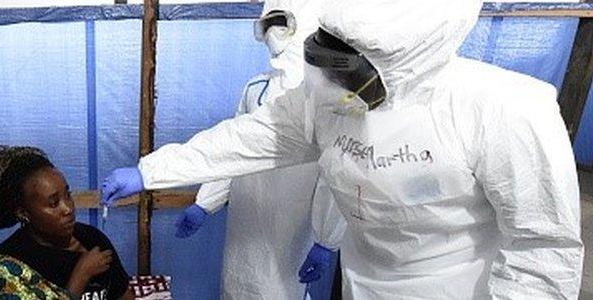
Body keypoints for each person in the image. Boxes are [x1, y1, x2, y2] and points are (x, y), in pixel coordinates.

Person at [101, 0, 583, 298]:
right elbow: (249, 137)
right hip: (365, 280)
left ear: (405, 60)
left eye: (346, 70)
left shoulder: (506, 111)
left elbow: (542, 249)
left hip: (457, 287)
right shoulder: (328, 100)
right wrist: (152, 171)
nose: (328, 85)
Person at [171, 1, 345, 299]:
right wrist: (206, 202)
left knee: (278, 288)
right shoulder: (255, 89)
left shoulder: (329, 98)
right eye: (270, 23)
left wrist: (327, 239)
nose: (274, 32)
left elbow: (337, 172)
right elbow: (233, 149)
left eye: (283, 22)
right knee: (237, 285)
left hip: (293, 221)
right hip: (246, 219)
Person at [0, 146, 132, 300]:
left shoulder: (93, 239)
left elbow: (123, 295)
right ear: (23, 212)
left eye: (68, 195)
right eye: (53, 203)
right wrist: (81, 276)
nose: (68, 208)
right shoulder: (7, 265)